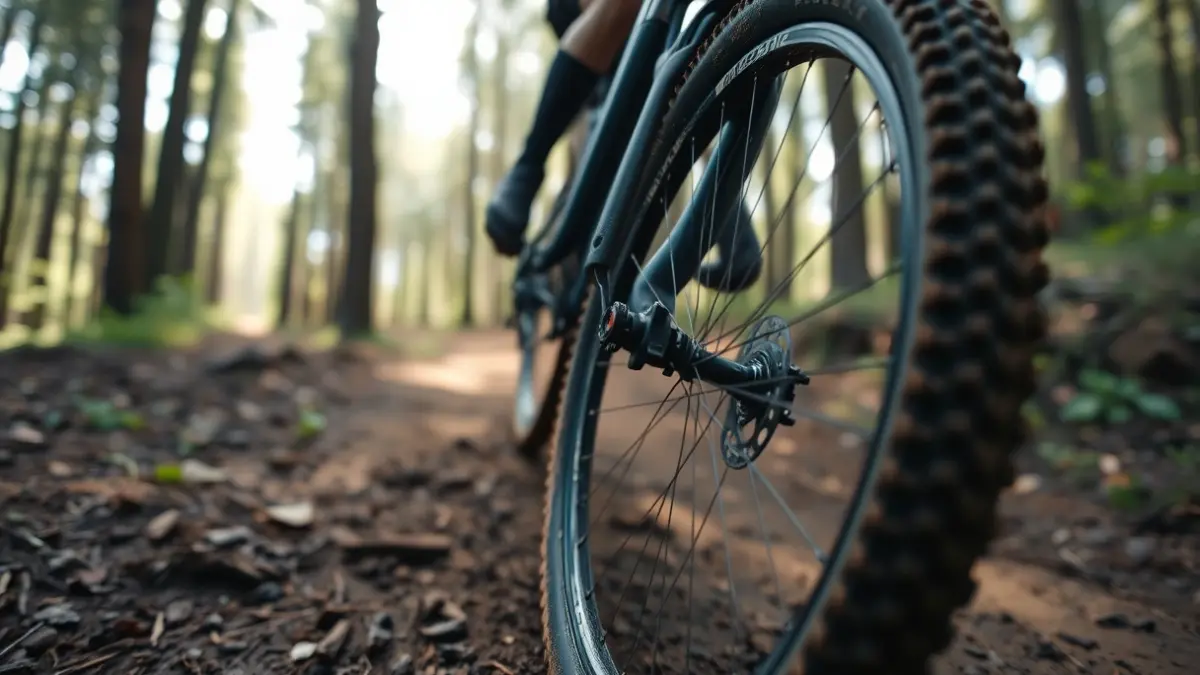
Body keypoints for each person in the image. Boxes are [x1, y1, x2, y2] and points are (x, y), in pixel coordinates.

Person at [485, 0, 763, 292]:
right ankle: (528, 167)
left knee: (677, 91)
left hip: (653, 35)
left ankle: (730, 223)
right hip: (585, 18)